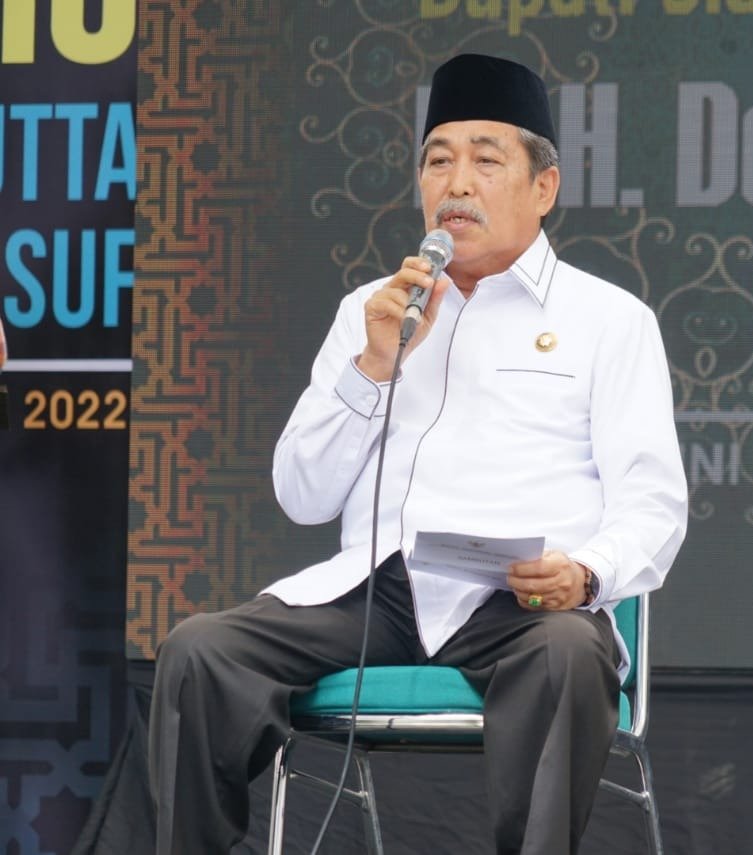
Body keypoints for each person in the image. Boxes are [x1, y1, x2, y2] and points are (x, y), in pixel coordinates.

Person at [149, 53, 688, 854]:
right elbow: (302, 493)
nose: (456, 183)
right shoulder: (371, 311)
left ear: (543, 187)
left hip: (523, 600)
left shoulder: (609, 320)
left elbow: (654, 503)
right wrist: (373, 367)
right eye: (438, 161)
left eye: (485, 160)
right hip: (380, 593)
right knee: (200, 651)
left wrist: (584, 573)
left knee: (571, 654)